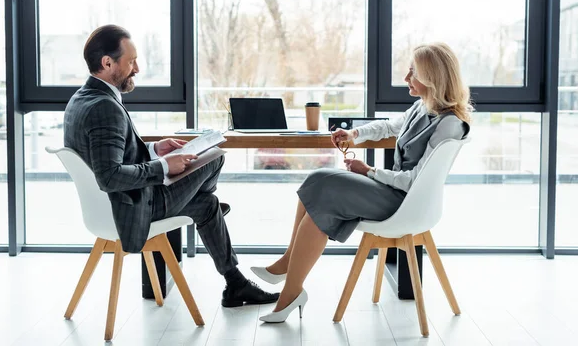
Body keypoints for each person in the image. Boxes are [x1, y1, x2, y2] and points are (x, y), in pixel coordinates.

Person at [251, 42, 472, 323]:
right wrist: (354, 133)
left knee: (326, 195)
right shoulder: (422, 107)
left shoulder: (449, 125)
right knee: (317, 179)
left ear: (431, 78)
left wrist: (368, 171)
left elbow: (415, 182)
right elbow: (389, 127)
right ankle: (288, 272)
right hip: (393, 192)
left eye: (412, 72)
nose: (406, 79)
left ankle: (290, 288)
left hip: (404, 203)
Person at [64, 24, 279, 308]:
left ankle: (236, 285)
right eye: (131, 61)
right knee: (215, 156)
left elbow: (111, 157)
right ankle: (199, 200)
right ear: (107, 63)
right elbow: (109, 176)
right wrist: (164, 166)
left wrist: (154, 149)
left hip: (115, 206)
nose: (137, 68)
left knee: (208, 205)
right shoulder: (104, 107)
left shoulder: (81, 99)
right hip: (131, 210)